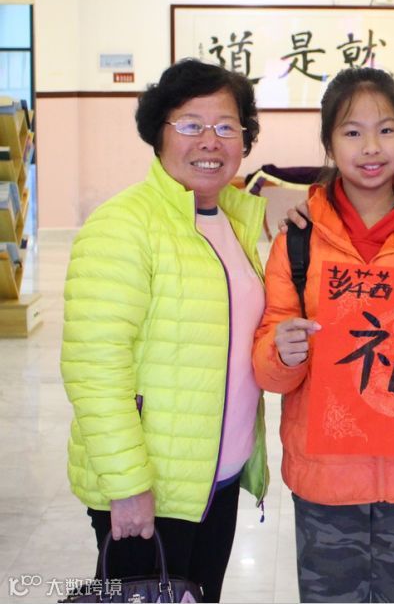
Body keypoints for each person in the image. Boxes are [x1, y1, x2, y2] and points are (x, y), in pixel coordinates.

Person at [251, 67, 394, 603]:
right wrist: (283, 352)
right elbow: (268, 368)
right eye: (352, 132)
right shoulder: (299, 241)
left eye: (386, 130)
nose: (371, 147)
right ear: (329, 143)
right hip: (325, 479)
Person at [61, 58, 269, 602]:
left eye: (226, 126)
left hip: (217, 481)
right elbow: (94, 369)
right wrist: (128, 485)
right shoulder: (124, 224)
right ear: (159, 133)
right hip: (150, 493)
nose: (210, 141)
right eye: (191, 124)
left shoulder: (234, 221)